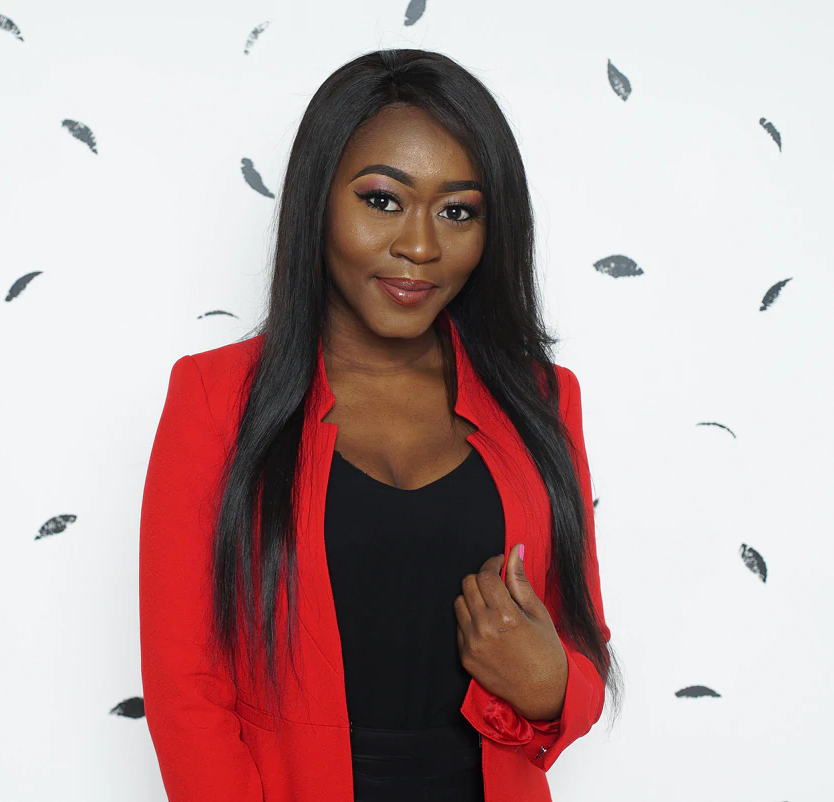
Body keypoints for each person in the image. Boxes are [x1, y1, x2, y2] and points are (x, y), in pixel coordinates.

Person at [139, 48, 621, 802]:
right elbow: (186, 690)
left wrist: (550, 684)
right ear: (318, 202)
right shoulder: (215, 399)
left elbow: (581, 642)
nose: (420, 246)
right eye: (383, 200)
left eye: (458, 211)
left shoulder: (543, 400)